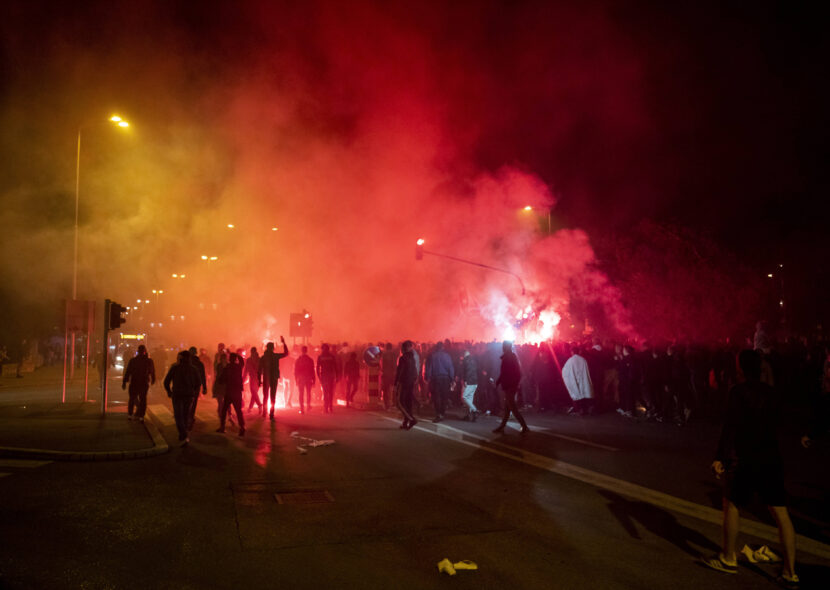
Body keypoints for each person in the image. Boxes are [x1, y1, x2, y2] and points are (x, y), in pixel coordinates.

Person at [703, 349, 798, 586]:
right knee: (781, 514)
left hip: (745, 458)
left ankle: (728, 558)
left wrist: (720, 458)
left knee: (732, 505)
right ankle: (790, 573)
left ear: (741, 369)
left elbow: (730, 427)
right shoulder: (773, 394)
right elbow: (782, 424)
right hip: (771, 458)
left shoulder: (738, 392)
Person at [163, 350, 201, 446]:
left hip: (177, 395)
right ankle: (183, 434)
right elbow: (198, 383)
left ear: (181, 358)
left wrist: (169, 391)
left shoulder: (175, 368)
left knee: (178, 415)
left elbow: (166, 382)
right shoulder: (194, 369)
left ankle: (183, 434)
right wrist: (194, 392)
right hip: (188, 395)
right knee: (185, 415)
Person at [492, 341, 529, 435]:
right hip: (509, 385)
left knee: (512, 407)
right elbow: (506, 373)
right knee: (507, 408)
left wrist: (501, 382)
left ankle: (524, 426)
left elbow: (510, 373)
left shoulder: (509, 357)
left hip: (510, 386)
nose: (502, 348)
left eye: (503, 346)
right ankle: (502, 426)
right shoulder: (509, 357)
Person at [121, 344, 156, 422]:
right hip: (144, 382)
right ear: (145, 351)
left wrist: (124, 382)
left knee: (132, 399)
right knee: (143, 399)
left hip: (134, 382)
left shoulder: (133, 360)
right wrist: (153, 379)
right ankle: (141, 416)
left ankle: (130, 414)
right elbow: (152, 371)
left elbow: (128, 371)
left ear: (137, 351)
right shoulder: (149, 361)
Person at [258, 337, 288, 421]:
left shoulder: (263, 358)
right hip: (274, 377)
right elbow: (286, 353)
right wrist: (284, 343)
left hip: (266, 378)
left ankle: (265, 412)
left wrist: (259, 380)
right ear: (273, 348)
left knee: (266, 396)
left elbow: (259, 370)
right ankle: (271, 413)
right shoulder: (275, 356)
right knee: (272, 396)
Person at [216, 353, 246, 436]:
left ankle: (222, 427)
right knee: (238, 411)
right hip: (237, 392)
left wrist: (220, 380)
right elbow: (242, 362)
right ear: (235, 359)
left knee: (224, 410)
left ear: (229, 359)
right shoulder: (238, 367)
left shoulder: (227, 368)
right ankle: (242, 427)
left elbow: (221, 379)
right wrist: (237, 355)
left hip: (229, 392)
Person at [425, 341, 454, 423]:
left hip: (436, 379)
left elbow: (429, 368)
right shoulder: (447, 356)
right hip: (445, 379)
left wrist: (427, 377)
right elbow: (450, 367)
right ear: (443, 347)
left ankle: (438, 414)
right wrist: (452, 379)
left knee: (436, 397)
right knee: (444, 397)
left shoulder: (432, 356)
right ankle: (442, 413)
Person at [562, 344, 595, 416]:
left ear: (572, 352)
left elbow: (565, 371)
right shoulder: (583, 359)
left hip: (574, 379)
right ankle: (586, 409)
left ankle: (580, 410)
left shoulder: (570, 361)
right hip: (583, 379)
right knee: (584, 393)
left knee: (577, 394)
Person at [395, 340, 419, 429]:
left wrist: (396, 383)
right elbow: (415, 370)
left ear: (403, 348)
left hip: (404, 382)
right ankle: (405, 422)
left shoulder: (403, 358)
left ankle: (411, 419)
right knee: (408, 402)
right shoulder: (412, 358)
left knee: (399, 402)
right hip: (411, 382)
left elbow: (399, 372)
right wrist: (415, 379)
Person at [187, 346, 207, 431]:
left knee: (187, 403)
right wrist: (204, 387)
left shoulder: (187, 363)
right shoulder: (199, 363)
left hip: (188, 386)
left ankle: (188, 418)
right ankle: (190, 418)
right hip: (195, 386)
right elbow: (202, 376)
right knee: (193, 403)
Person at [316, 343, 340, 414]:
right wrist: (337, 376)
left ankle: (326, 408)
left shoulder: (320, 357)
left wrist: (319, 377)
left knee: (325, 392)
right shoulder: (332, 356)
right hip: (331, 376)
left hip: (324, 376)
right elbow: (335, 367)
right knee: (330, 392)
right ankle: (330, 407)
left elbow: (317, 368)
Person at [295, 345, 315, 413]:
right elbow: (312, 370)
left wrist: (296, 380)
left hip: (301, 378)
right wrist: (314, 380)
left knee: (301, 393)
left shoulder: (298, 359)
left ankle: (302, 408)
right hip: (308, 378)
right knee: (308, 392)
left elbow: (296, 371)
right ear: (307, 351)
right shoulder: (310, 359)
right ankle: (308, 406)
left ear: (301, 351)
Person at [460, 349, 479, 421]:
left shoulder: (466, 360)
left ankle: (475, 410)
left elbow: (468, 371)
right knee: (470, 398)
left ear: (464, 354)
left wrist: (465, 380)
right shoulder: (474, 360)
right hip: (475, 382)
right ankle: (470, 415)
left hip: (470, 382)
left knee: (464, 397)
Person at [381, 342, 398, 410]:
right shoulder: (394, 354)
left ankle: (386, 404)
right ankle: (394, 403)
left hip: (386, 374)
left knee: (386, 390)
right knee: (394, 389)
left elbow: (382, 365)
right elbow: (395, 364)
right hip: (393, 374)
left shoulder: (384, 354)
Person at [245, 347, 262, 414]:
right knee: (254, 393)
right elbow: (246, 370)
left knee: (253, 393)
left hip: (255, 378)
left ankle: (259, 405)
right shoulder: (250, 360)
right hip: (255, 378)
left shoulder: (257, 359)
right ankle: (250, 407)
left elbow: (261, 369)